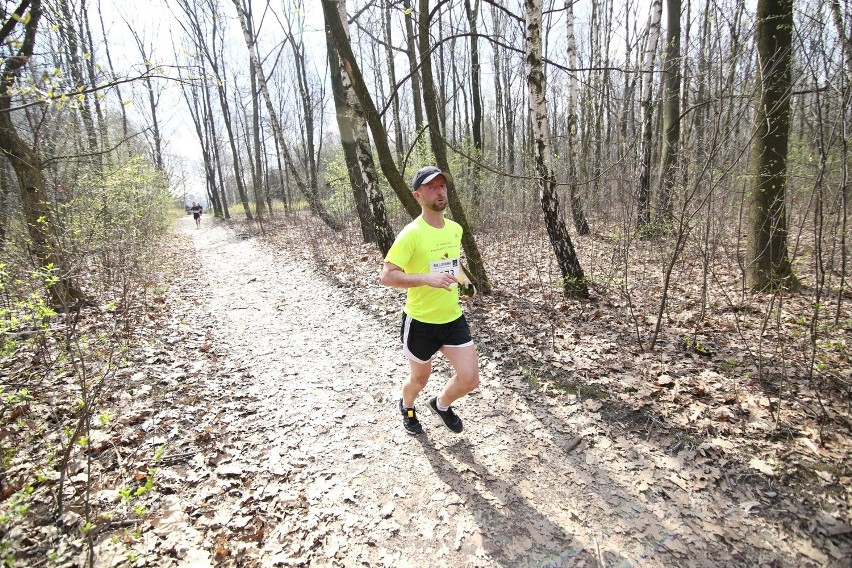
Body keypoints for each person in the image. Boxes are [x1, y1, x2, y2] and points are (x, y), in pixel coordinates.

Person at [380, 166, 480, 435]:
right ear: (417, 196)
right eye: (431, 187)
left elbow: (452, 261)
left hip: (452, 318)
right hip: (421, 322)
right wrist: (427, 278)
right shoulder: (411, 234)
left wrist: (465, 281)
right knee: (419, 379)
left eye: (442, 186)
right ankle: (407, 405)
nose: (439, 191)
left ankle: (441, 404)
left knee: (470, 379)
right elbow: (388, 276)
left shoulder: (455, 229)